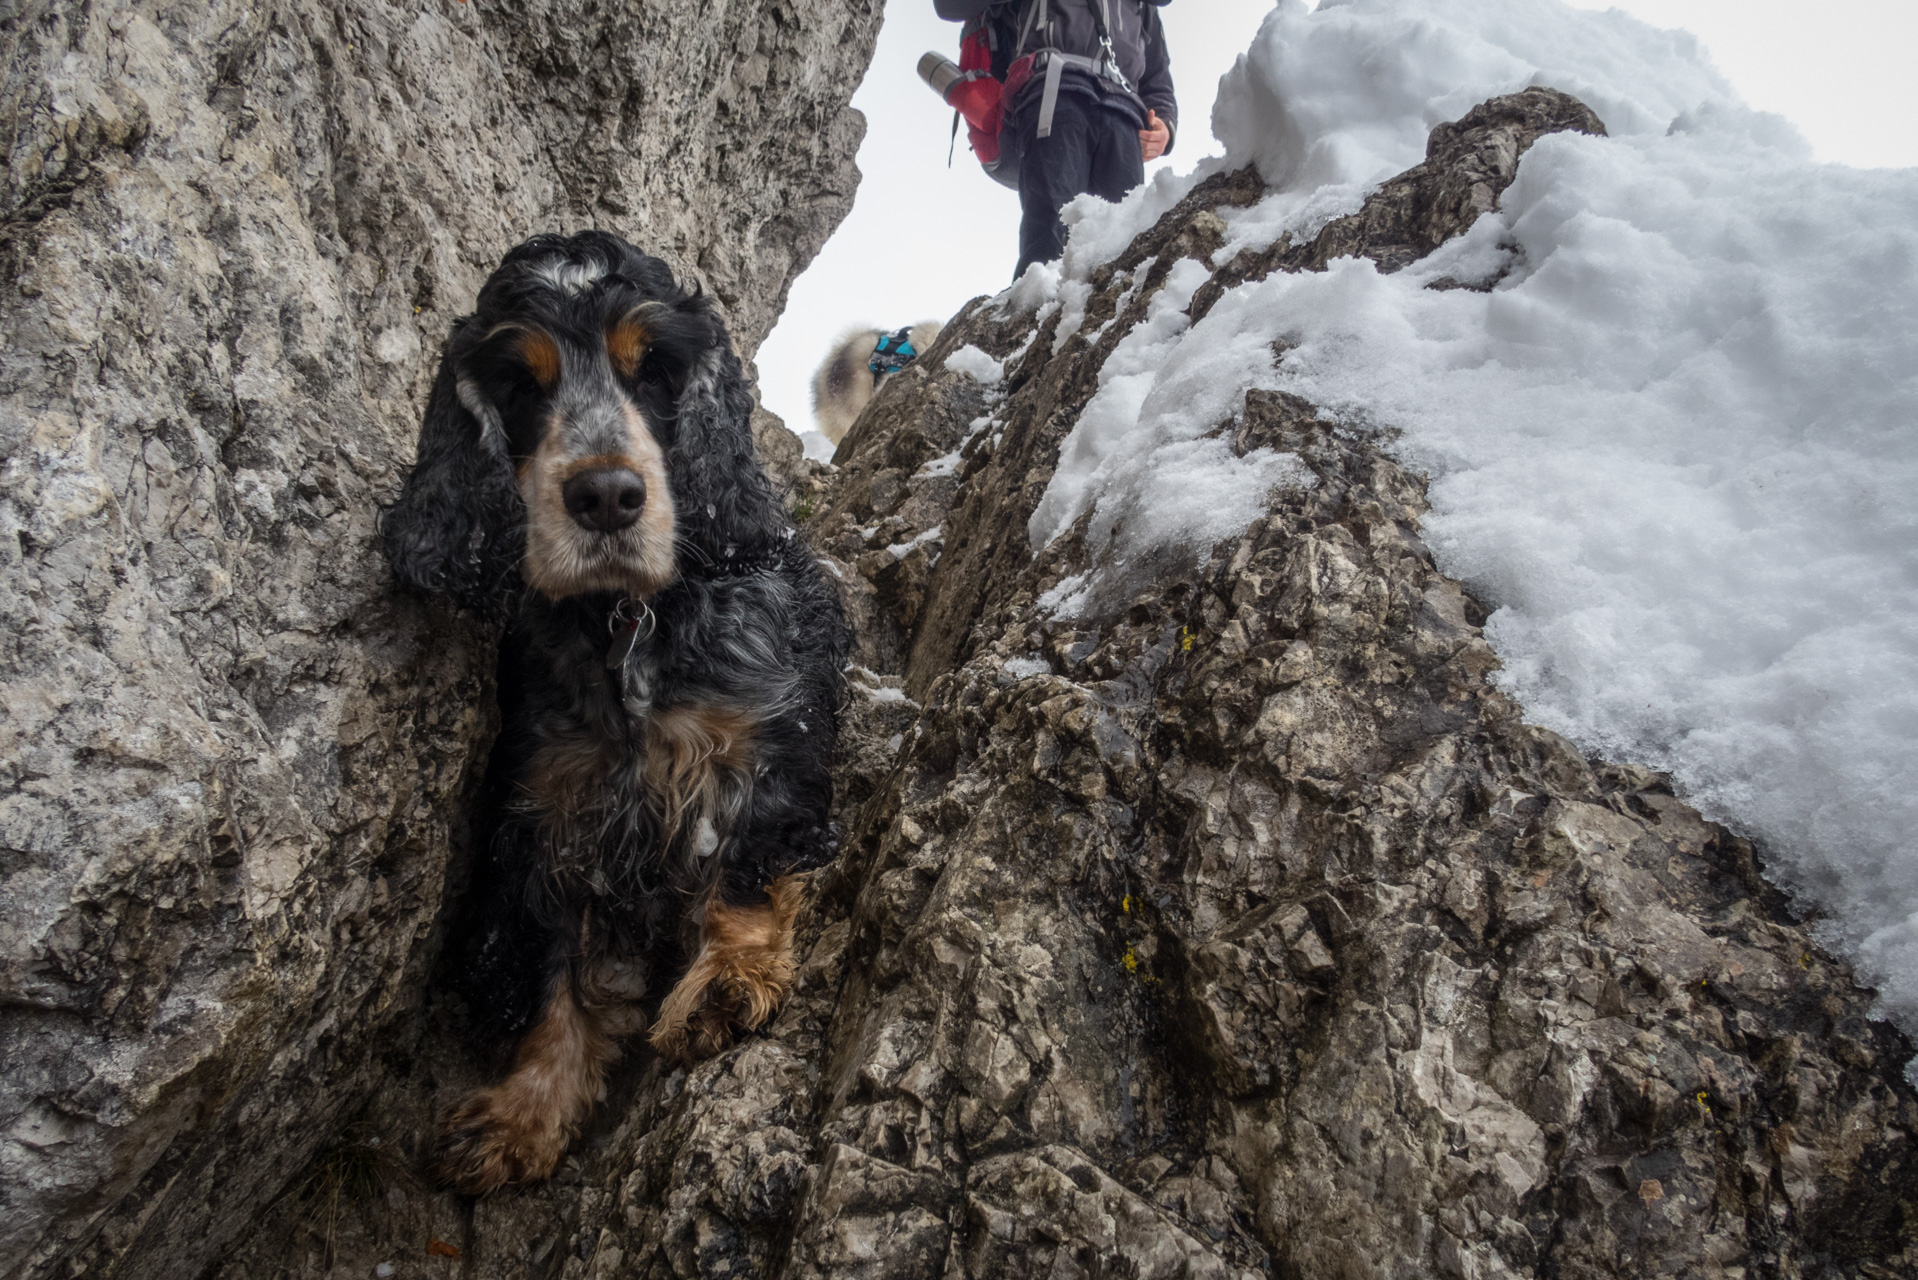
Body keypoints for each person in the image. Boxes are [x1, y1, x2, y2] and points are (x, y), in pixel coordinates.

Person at [935, 0, 1177, 278]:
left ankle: (1108, 316)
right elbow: (948, 5)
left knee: (1124, 242)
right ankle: (1033, 315)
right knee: (1050, 229)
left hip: (1124, 115)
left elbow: (1157, 76)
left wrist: (1166, 127)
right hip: (1053, 90)